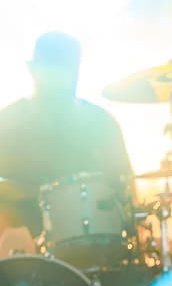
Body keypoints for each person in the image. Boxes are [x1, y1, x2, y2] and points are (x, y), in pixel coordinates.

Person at [0, 31, 134, 237]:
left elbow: (125, 189)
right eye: (53, 69)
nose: (61, 78)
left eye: (68, 69)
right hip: (20, 251)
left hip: (96, 250)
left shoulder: (101, 123)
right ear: (32, 70)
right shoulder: (7, 123)